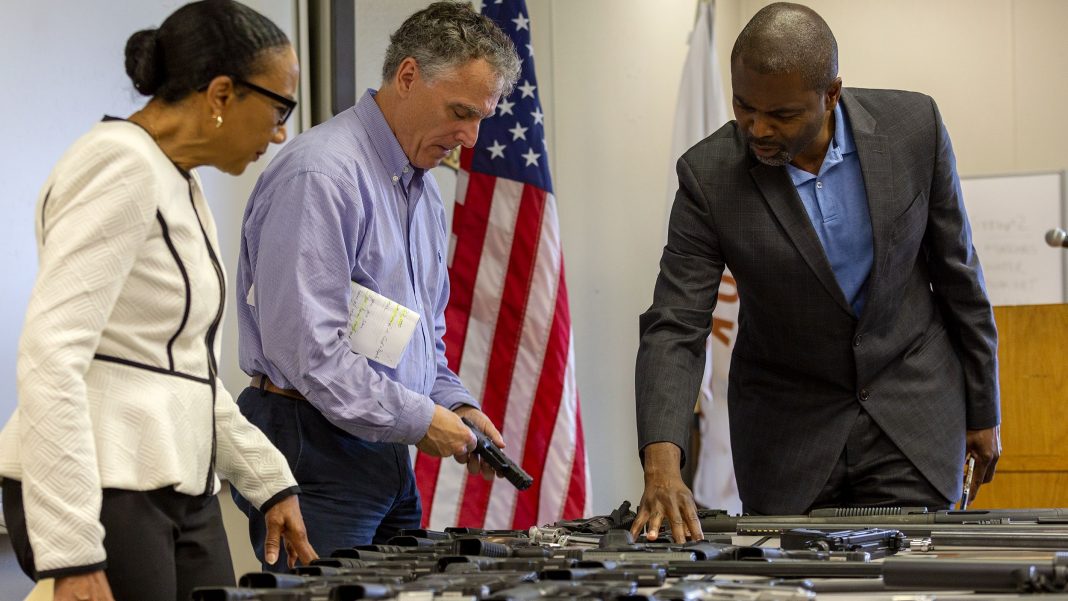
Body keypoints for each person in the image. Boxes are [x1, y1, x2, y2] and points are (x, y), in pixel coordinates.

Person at [632, 2, 1001, 543]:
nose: (757, 128)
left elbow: (958, 274)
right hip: (787, 436)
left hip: (911, 415)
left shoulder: (914, 128)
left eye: (781, 115)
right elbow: (676, 323)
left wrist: (984, 409)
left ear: (831, 94)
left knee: (909, 573)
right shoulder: (708, 176)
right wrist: (662, 462)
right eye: (744, 107)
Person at [0, 2, 319, 599]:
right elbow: (51, 356)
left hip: (178, 483)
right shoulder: (119, 162)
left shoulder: (179, 180)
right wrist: (71, 550)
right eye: (280, 109)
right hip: (104, 483)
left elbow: (186, 369)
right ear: (221, 94)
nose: (280, 133)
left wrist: (269, 480)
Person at [231, 1, 521, 564]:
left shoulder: (423, 192)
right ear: (407, 76)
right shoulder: (321, 174)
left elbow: (419, 342)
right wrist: (420, 418)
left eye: (481, 117)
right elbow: (308, 353)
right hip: (310, 438)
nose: (470, 137)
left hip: (384, 443)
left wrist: (454, 405)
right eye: (460, 112)